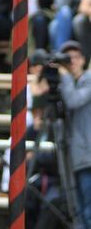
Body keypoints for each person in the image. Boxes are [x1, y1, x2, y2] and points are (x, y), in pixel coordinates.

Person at [58, 40, 91, 228]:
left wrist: (65, 77)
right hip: (73, 157)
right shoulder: (66, 83)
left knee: (88, 211)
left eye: (75, 57)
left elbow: (74, 101)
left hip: (87, 157)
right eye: (67, 58)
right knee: (77, 212)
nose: (72, 62)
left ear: (84, 60)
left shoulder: (88, 79)